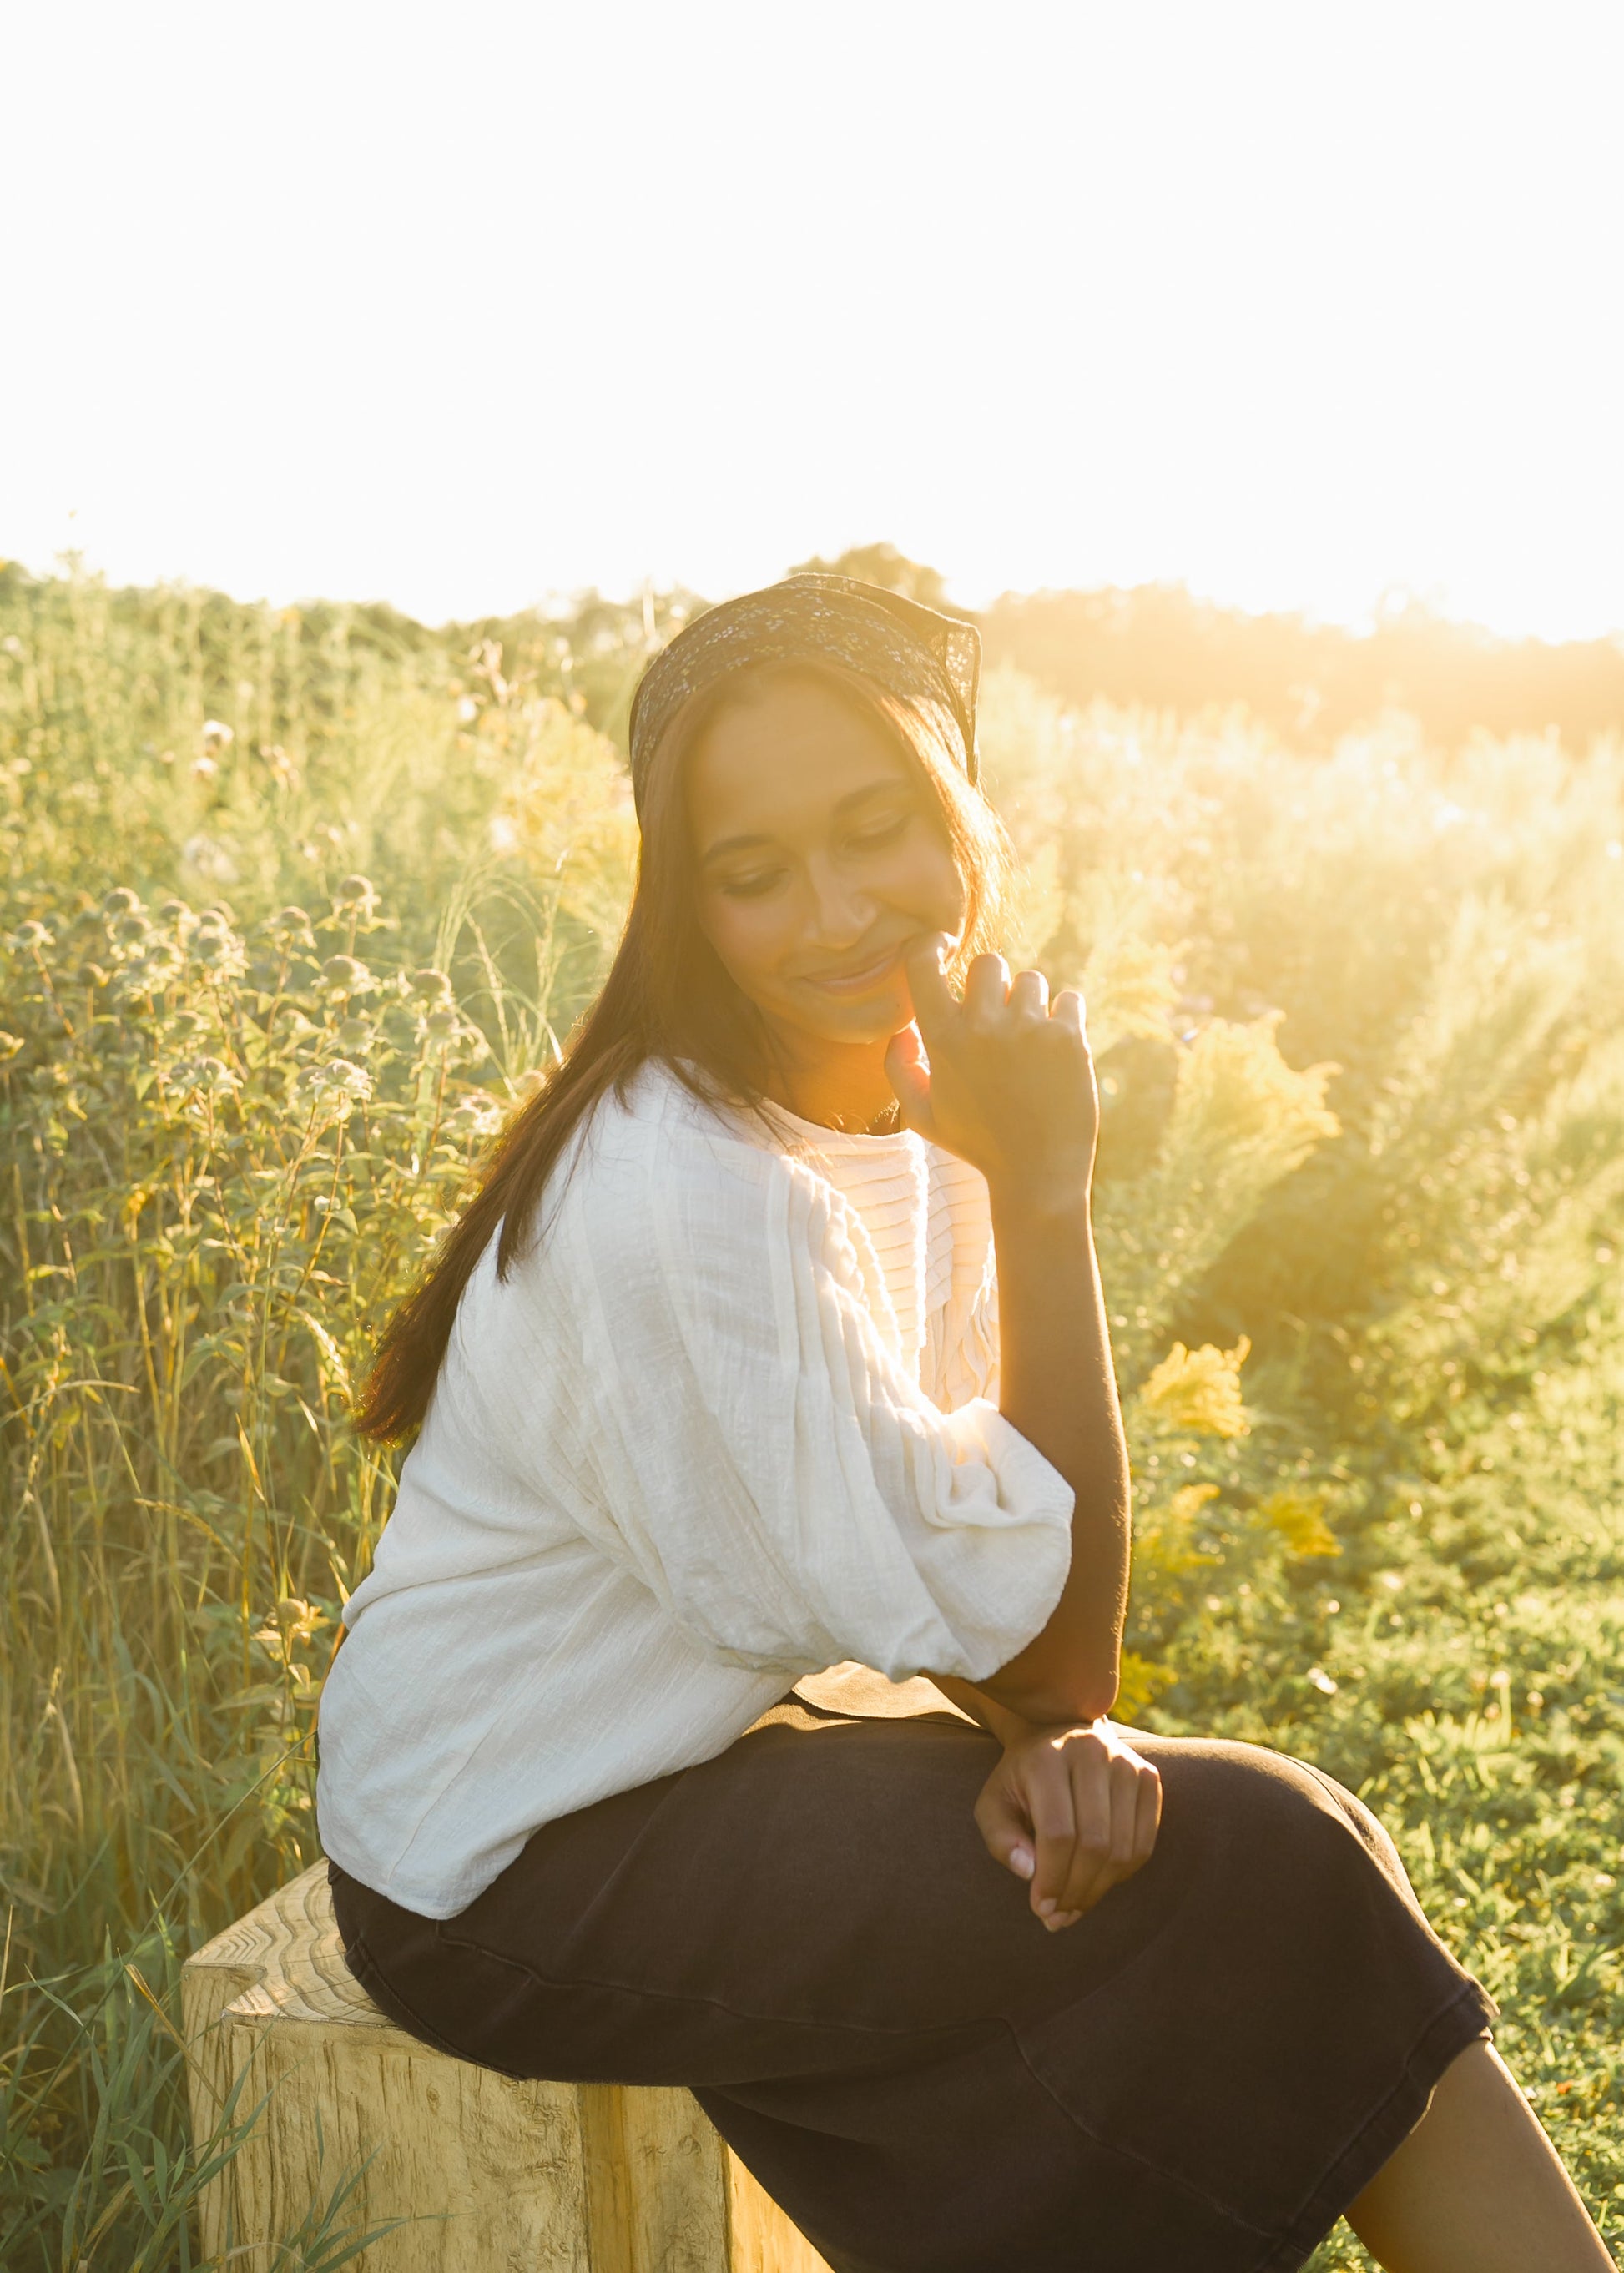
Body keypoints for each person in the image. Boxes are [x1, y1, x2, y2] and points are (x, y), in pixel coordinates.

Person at [316, 575, 1611, 2272]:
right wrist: (1045, 1192)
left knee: (1274, 1851)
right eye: (751, 873)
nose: (839, 913)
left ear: (962, 818)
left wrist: (1015, 1726)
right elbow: (1056, 1638)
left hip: (697, 1749)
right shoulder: (688, 1189)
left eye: (878, 831)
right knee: (1268, 1863)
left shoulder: (876, 1100)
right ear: (679, 906)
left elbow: (937, 1537)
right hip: (505, 1861)